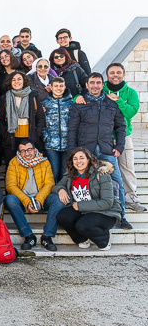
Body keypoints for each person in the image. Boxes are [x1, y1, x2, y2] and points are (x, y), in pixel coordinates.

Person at [67, 72, 130, 229]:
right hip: (85, 151)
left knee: (118, 182)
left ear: (103, 85)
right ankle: (81, 215)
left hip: (106, 150)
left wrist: (120, 147)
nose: (95, 85)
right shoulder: (79, 104)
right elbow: (72, 129)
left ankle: (121, 215)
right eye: (92, 82)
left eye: (98, 83)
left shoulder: (112, 104)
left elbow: (121, 127)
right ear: (87, 85)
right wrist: (73, 151)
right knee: (83, 183)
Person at [53, 147, 122, 250]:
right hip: (84, 211)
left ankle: (104, 239)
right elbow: (57, 186)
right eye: (75, 159)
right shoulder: (71, 174)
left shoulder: (101, 174)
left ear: (88, 159)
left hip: (105, 212)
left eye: (81, 158)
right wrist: (61, 190)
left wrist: (80, 206)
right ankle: (81, 239)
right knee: (62, 216)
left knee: (82, 225)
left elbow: (107, 202)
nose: (78, 161)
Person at [4, 140, 63, 251]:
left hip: (42, 199)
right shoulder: (13, 162)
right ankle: (28, 236)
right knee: (9, 199)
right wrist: (27, 201)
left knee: (57, 199)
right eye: (23, 151)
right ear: (19, 152)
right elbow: (10, 186)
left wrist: (39, 200)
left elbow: (49, 184)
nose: (27, 154)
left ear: (35, 150)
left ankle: (47, 236)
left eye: (29, 150)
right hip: (23, 200)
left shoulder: (44, 162)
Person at [104, 63, 146, 212]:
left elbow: (130, 113)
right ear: (107, 74)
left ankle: (131, 198)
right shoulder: (101, 89)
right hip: (104, 136)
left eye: (118, 72)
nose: (115, 75)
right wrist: (77, 97)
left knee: (127, 168)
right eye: (112, 72)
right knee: (105, 169)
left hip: (124, 136)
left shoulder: (131, 93)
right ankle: (110, 198)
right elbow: (85, 96)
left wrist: (118, 100)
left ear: (123, 74)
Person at [0, 71, 45, 165]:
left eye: (19, 79)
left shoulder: (32, 96)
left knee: (31, 166)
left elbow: (40, 117)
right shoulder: (5, 98)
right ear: (10, 82)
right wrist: (5, 134)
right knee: (11, 167)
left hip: (30, 137)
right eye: (13, 80)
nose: (16, 82)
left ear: (24, 81)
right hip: (11, 139)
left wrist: (36, 133)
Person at [41, 77, 73, 182]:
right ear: (51, 87)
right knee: (53, 172)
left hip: (67, 144)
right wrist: (46, 137)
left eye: (61, 86)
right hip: (51, 145)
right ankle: (52, 196)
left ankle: (64, 196)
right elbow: (41, 123)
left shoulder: (71, 103)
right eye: (56, 86)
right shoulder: (45, 103)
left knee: (65, 173)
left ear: (65, 87)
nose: (58, 88)